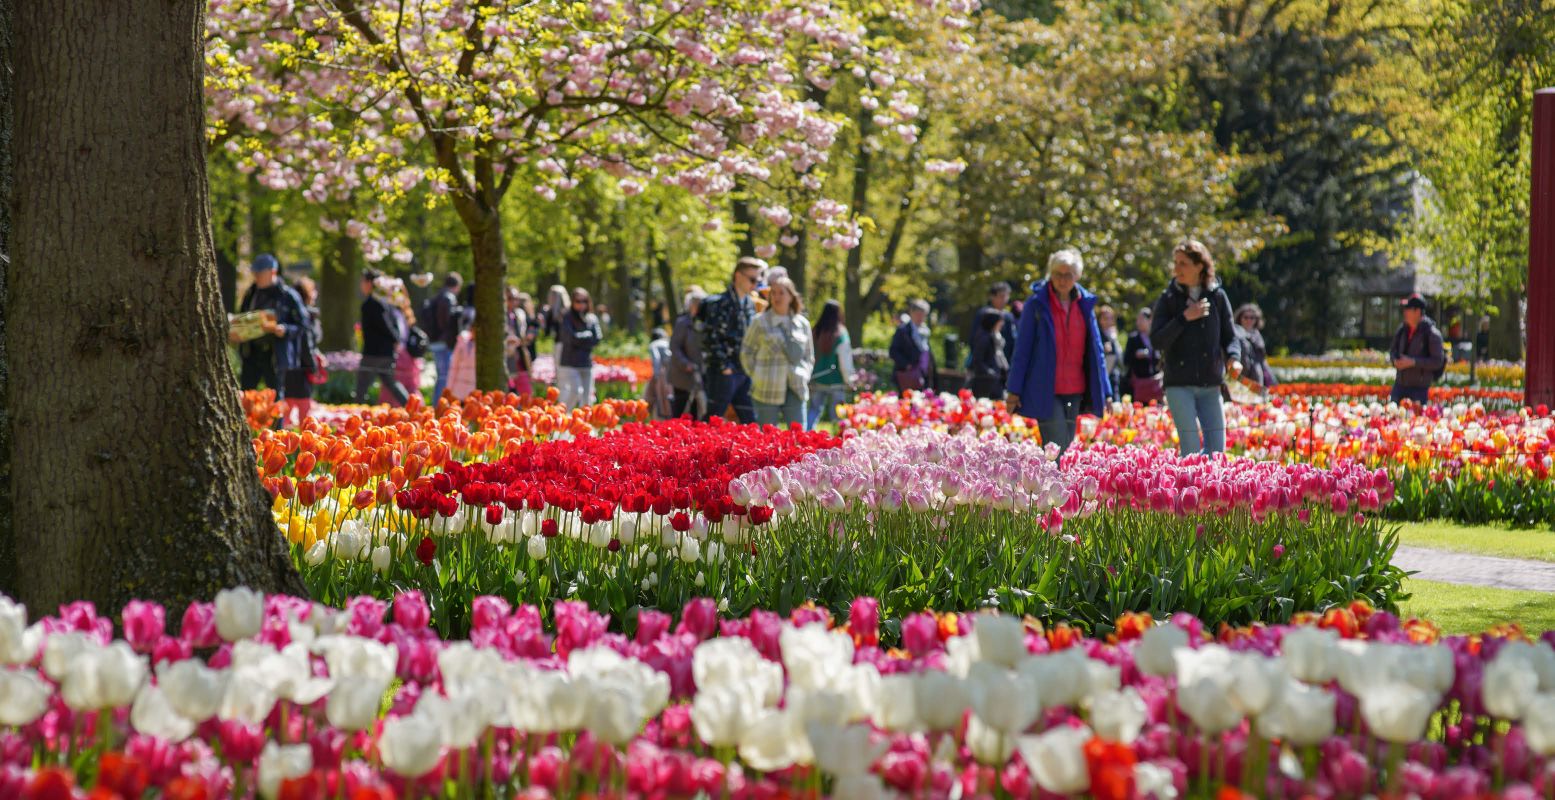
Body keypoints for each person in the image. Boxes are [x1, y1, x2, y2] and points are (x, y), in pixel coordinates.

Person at [1005, 249, 1112, 456]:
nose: (1062, 280)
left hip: (1076, 388)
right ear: (1050, 274)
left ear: (1077, 276)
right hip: (1046, 388)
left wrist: (1106, 391)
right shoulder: (1036, 305)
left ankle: (1053, 485)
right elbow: (1022, 350)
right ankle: (1054, 487)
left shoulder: (1085, 305)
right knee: (1057, 446)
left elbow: (1097, 351)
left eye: (1068, 275)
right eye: (1057, 274)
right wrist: (1013, 390)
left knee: (1065, 446)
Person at [1150, 240, 1241, 456]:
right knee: (1190, 450)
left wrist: (1234, 358)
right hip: (1179, 384)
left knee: (1217, 451)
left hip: (1211, 383)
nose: (1177, 269)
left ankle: (1208, 491)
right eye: (1176, 263)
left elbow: (1230, 336)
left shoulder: (1217, 296)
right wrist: (1184, 318)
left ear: (1200, 265)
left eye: (1183, 263)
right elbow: (1156, 340)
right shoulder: (1168, 298)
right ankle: (1191, 489)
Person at [233, 254, 310, 404]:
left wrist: (285, 329)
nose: (257, 276)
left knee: (275, 397)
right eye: (255, 273)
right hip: (251, 353)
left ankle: (276, 428)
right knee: (246, 395)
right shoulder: (251, 294)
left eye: (260, 273)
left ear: (272, 272)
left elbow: (303, 325)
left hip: (274, 354)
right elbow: (242, 317)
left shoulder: (288, 296)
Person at [741, 277, 813, 426]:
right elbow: (746, 352)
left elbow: (808, 355)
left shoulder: (802, 324)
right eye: (773, 293)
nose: (776, 297)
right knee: (767, 439)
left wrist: (804, 374)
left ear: (791, 296)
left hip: (795, 386)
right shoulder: (759, 322)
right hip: (766, 387)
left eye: (781, 293)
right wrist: (756, 375)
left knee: (799, 437)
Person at [699, 257, 763, 422]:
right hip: (724, 372)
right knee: (713, 418)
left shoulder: (749, 304)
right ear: (738, 276)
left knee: (750, 421)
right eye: (752, 279)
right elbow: (710, 338)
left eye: (758, 280)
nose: (755, 284)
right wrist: (724, 367)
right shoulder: (719, 303)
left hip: (744, 371)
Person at [355, 268, 411, 405]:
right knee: (391, 383)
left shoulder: (372, 303)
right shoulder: (386, 303)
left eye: (363, 281)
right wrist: (395, 339)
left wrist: (395, 338)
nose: (361, 285)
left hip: (374, 353)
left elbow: (385, 325)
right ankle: (411, 406)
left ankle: (354, 416)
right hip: (386, 352)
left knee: (361, 386)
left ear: (370, 283)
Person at [1388, 293, 1446, 405]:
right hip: (1399, 386)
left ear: (1418, 312)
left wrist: (1413, 362)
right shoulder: (1402, 330)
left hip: (1419, 389)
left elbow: (1438, 361)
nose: (1404, 312)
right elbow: (1393, 351)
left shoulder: (1432, 334)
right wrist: (1395, 360)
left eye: (1408, 309)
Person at [280, 275, 322, 426]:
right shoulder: (306, 317)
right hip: (303, 367)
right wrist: (313, 365)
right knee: (304, 408)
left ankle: (281, 440)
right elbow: (306, 344)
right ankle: (304, 442)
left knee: (287, 406)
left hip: (288, 364)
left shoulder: (287, 315)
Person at [807, 299, 856, 429]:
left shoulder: (815, 331)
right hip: (837, 380)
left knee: (813, 410)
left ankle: (805, 436)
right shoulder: (841, 334)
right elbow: (845, 361)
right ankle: (837, 441)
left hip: (817, 379)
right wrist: (849, 380)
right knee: (837, 416)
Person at [557, 287, 603, 409]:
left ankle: (584, 422)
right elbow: (569, 338)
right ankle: (565, 415)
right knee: (576, 391)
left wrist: (581, 338)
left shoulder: (592, 318)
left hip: (586, 361)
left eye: (584, 301)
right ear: (573, 302)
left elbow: (597, 338)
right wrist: (588, 336)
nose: (581, 304)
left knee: (587, 396)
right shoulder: (567, 317)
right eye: (578, 301)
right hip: (571, 362)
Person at [422, 273, 463, 402]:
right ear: (457, 286)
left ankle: (438, 404)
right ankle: (439, 406)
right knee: (444, 376)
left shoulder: (436, 297)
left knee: (442, 375)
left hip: (434, 340)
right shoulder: (448, 298)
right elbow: (445, 322)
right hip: (444, 342)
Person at [381, 280, 422, 406]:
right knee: (398, 390)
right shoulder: (396, 313)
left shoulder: (399, 313)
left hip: (403, 357)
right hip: (402, 357)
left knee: (400, 389)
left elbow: (401, 337)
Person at [669, 286, 707, 419]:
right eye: (696, 304)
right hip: (682, 374)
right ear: (690, 306)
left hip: (699, 374)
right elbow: (675, 347)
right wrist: (685, 363)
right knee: (679, 409)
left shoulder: (705, 323)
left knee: (697, 411)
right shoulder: (682, 323)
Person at [889, 299, 936, 392]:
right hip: (907, 376)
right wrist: (907, 365)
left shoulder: (925, 331)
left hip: (923, 375)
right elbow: (893, 351)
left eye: (923, 315)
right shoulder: (903, 330)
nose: (920, 318)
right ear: (911, 313)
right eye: (918, 314)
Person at [968, 281, 1017, 367]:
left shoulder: (1009, 317)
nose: (1004, 299)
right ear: (992, 297)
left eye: (1006, 296)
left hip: (1005, 364)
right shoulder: (984, 314)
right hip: (987, 365)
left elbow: (1012, 341)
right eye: (1001, 296)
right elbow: (974, 339)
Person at [1233, 303, 1277, 392]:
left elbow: (1263, 360)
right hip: (1241, 376)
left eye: (1252, 317)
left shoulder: (1257, 336)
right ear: (1240, 318)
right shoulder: (1235, 334)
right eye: (1246, 317)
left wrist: (1272, 380)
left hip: (1257, 377)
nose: (1249, 320)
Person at [1123, 308, 1163, 405]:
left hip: (1155, 384)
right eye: (1138, 319)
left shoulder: (1156, 337)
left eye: (1142, 319)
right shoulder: (1133, 338)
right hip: (1139, 385)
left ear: (1150, 320)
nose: (1138, 322)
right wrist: (1135, 355)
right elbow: (1126, 360)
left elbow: (1162, 359)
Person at [968, 308, 1010, 400]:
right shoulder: (984, 338)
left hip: (995, 380)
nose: (1002, 324)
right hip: (986, 382)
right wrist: (990, 372)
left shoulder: (996, 337)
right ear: (993, 322)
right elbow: (977, 359)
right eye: (1000, 321)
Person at [505, 288, 534, 397]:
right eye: (510, 298)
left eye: (516, 299)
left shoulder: (520, 314)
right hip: (506, 356)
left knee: (526, 392)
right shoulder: (500, 315)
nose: (513, 302)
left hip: (520, 356)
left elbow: (526, 330)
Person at [646, 327, 675, 419]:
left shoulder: (653, 344)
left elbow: (656, 359)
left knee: (661, 394)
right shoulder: (667, 342)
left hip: (663, 370)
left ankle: (663, 414)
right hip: (673, 369)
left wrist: (656, 374)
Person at [1095, 304, 1123, 399]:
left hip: (1113, 377)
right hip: (1100, 378)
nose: (1109, 321)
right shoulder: (1096, 335)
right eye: (1106, 318)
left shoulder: (1113, 335)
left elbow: (1120, 358)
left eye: (1111, 318)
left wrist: (1114, 340)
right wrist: (1102, 349)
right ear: (1100, 320)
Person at [447, 317, 478, 401]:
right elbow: (454, 366)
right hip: (458, 390)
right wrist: (449, 389)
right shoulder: (462, 341)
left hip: (474, 391)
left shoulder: (484, 347)